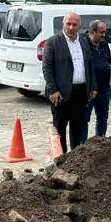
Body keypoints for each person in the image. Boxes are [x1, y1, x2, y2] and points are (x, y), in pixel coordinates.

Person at [42, 12, 97, 153]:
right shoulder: (53, 42)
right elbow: (47, 68)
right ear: (63, 24)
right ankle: (61, 159)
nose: (71, 27)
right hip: (60, 93)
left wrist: (92, 87)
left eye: (74, 24)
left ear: (79, 26)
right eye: (68, 24)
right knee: (60, 127)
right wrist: (53, 90)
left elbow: (89, 65)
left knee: (77, 127)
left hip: (80, 91)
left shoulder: (84, 42)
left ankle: (75, 158)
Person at [81, 19, 111, 142]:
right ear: (92, 32)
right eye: (101, 32)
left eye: (105, 32)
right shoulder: (83, 45)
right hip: (88, 90)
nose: (104, 35)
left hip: (104, 89)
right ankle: (82, 146)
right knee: (84, 119)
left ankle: (100, 144)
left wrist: (108, 82)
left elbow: (109, 63)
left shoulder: (104, 45)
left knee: (102, 118)